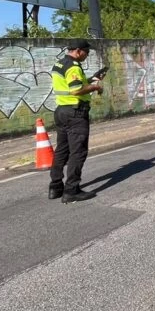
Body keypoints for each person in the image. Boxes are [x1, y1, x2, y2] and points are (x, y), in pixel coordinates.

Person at [49, 39, 104, 203]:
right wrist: (96, 87)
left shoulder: (59, 64)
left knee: (61, 150)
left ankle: (55, 187)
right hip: (75, 113)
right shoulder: (73, 66)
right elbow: (76, 90)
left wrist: (90, 79)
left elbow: (70, 85)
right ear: (78, 51)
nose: (87, 55)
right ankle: (71, 190)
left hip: (61, 111)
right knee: (78, 152)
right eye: (86, 52)